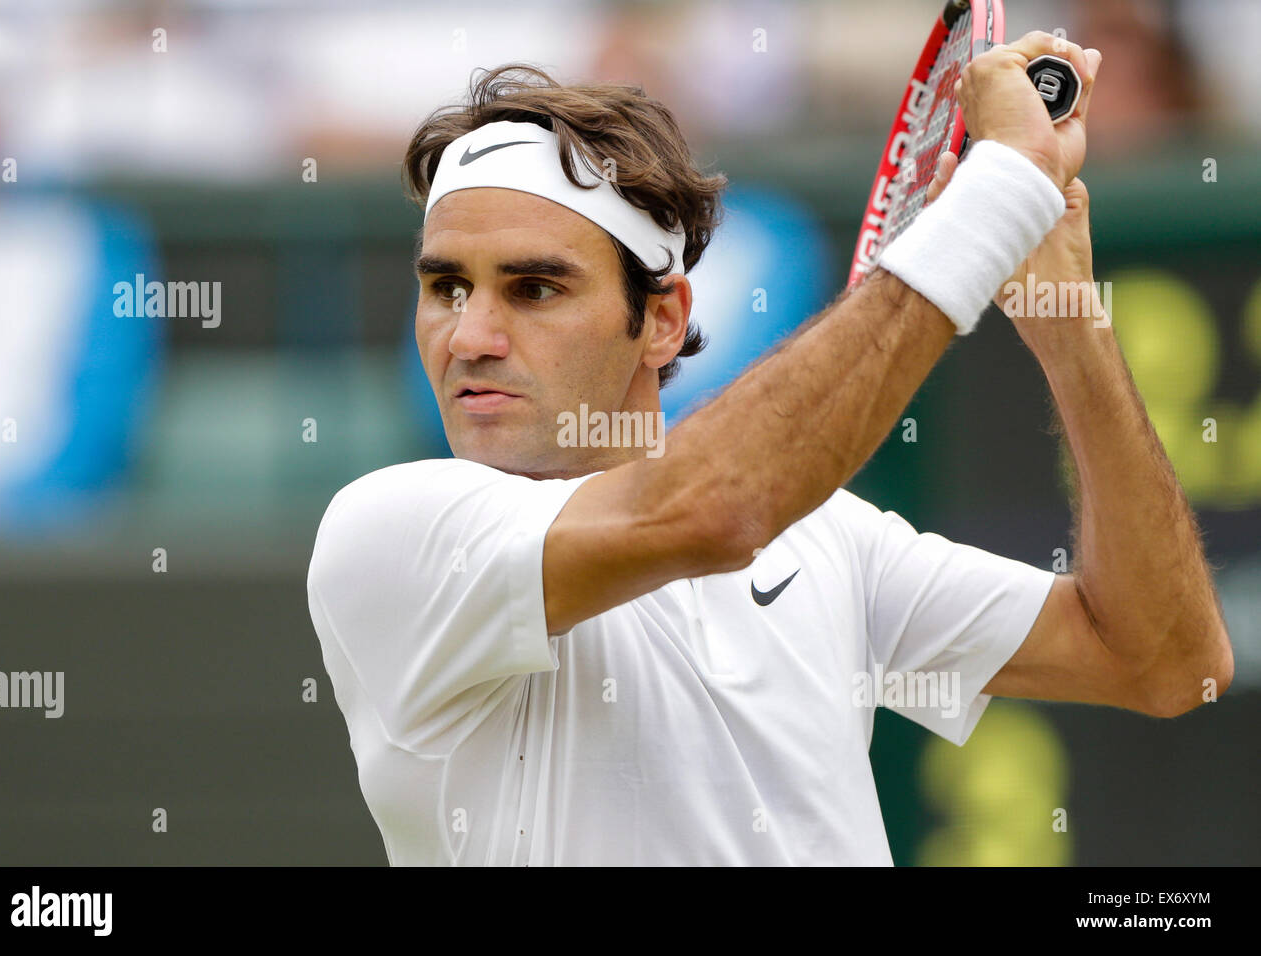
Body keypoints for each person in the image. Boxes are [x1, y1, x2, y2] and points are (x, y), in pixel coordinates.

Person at [306, 34, 1233, 865]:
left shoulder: (832, 542)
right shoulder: (389, 532)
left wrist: (1066, 318)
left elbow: (1164, 662)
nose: (469, 335)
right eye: (446, 287)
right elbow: (715, 509)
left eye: (534, 289)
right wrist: (995, 199)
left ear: (661, 320)